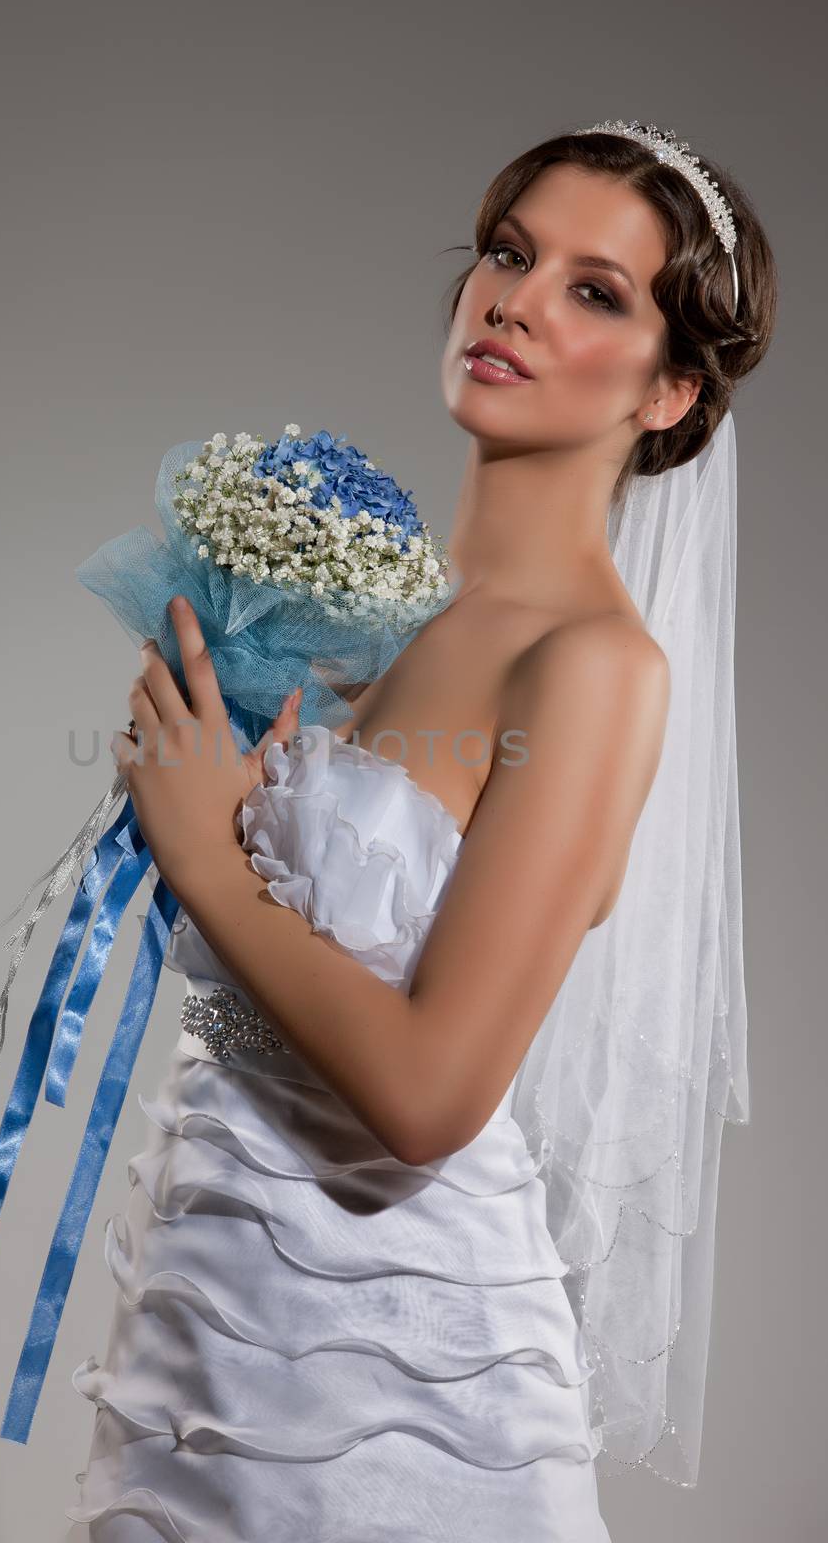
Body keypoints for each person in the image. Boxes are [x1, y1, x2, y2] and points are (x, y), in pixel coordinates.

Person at [64, 122, 776, 1540]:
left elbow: (436, 1094)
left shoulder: (594, 666)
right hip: (218, 1306)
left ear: (670, 390)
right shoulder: (383, 628)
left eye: (595, 290)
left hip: (394, 1370)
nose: (511, 299)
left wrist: (209, 853)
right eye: (509, 254)